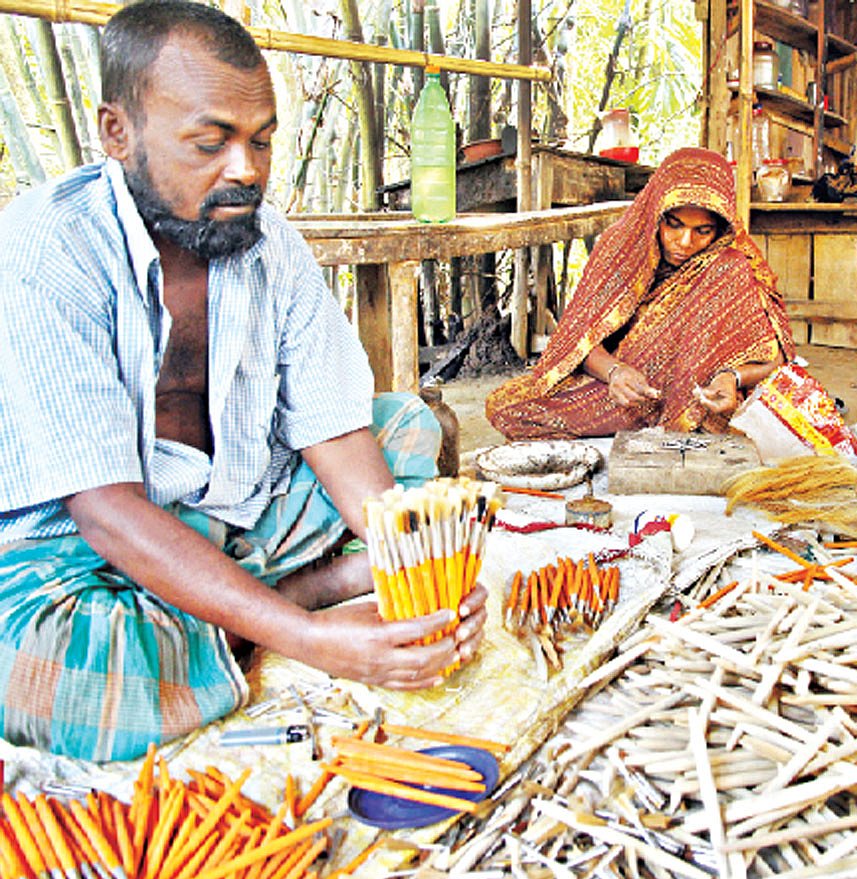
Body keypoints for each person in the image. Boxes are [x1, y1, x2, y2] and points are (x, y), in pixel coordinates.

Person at [0, 0, 486, 762]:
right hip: (87, 546)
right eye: (211, 142)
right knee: (50, 675)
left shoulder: (271, 245)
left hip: (242, 506)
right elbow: (104, 511)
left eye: (261, 142)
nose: (246, 170)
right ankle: (304, 591)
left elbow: (334, 425)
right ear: (116, 132)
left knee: (408, 429)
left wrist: (421, 568)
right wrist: (310, 637)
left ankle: (224, 615)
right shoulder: (44, 254)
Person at [486, 147, 794, 438]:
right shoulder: (618, 248)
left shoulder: (732, 265)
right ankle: (657, 420)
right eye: (673, 225)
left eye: (703, 231)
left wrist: (733, 378)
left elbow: (778, 357)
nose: (685, 242)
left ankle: (681, 416)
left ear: (722, 228)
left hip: (699, 394)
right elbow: (578, 340)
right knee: (505, 408)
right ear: (655, 214)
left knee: (730, 268)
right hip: (630, 392)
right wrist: (615, 373)